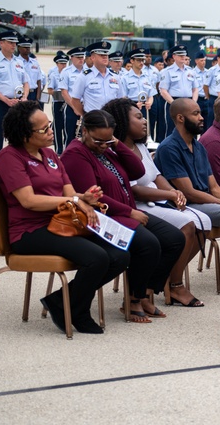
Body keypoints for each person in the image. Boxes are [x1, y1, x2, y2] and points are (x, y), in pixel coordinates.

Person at [0, 100, 128, 333]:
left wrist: (85, 197)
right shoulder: (10, 157)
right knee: (96, 257)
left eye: (49, 126)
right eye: (44, 129)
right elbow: (29, 201)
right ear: (25, 135)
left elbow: (69, 194)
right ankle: (77, 311)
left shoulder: (50, 154)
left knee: (120, 254)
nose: (50, 132)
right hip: (29, 231)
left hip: (64, 223)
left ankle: (61, 301)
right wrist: (74, 201)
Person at [62, 110, 185, 323]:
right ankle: (133, 299)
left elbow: (137, 171)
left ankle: (145, 293)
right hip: (103, 216)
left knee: (174, 239)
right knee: (148, 244)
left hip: (124, 212)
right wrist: (129, 211)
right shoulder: (76, 154)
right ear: (84, 131)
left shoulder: (108, 149)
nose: (102, 145)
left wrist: (117, 145)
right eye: (98, 140)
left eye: (107, 140)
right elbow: (94, 198)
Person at [106, 97, 207, 308]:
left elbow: (156, 175)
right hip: (137, 205)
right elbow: (133, 189)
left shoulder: (140, 146)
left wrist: (173, 192)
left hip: (157, 200)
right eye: (139, 117)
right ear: (122, 121)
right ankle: (174, 285)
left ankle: (168, 277)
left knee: (202, 222)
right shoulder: (115, 150)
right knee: (187, 226)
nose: (144, 121)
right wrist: (169, 195)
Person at [154, 98, 220, 231]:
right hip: (186, 205)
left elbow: (214, 188)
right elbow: (189, 193)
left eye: (200, 113)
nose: (201, 118)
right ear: (180, 118)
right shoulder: (169, 148)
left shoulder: (199, 147)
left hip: (206, 202)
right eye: (195, 114)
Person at [0, 31, 30, 165]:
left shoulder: (19, 62)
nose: (13, 45)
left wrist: (25, 97)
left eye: (15, 43)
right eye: (10, 42)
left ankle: (16, 165)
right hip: (1, 103)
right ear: (1, 43)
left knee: (20, 136)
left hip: (18, 104)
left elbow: (26, 83)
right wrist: (5, 100)